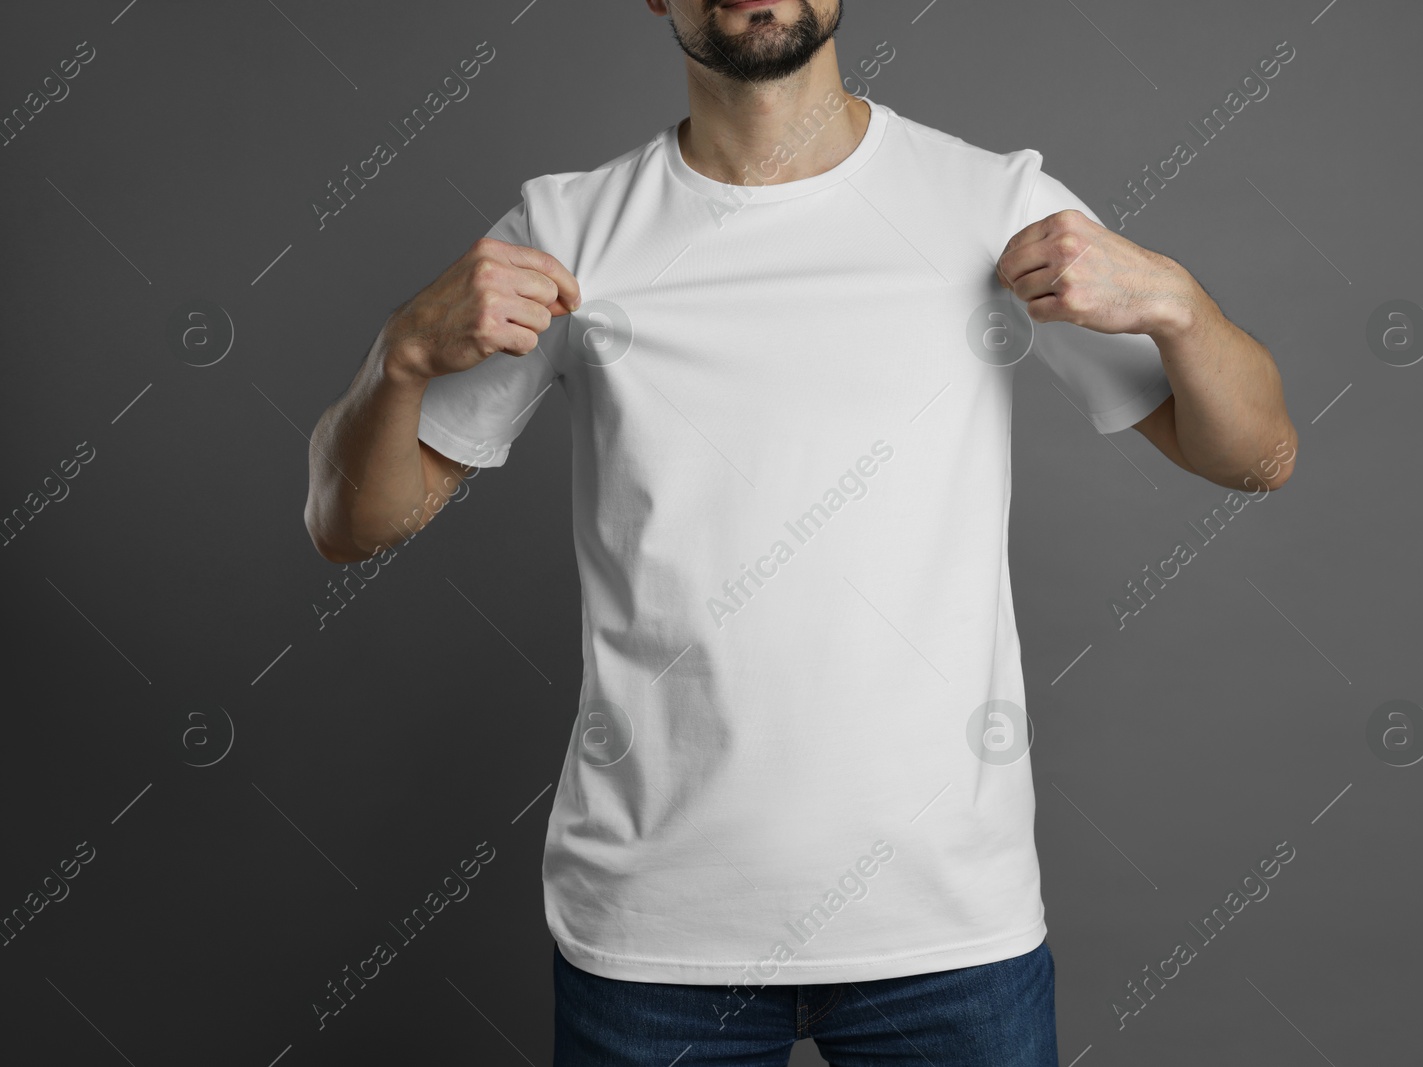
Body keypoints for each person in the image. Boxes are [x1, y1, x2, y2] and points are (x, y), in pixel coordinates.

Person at [304, 1, 1297, 1062]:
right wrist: (398, 355)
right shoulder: (565, 232)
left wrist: (1179, 305)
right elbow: (348, 526)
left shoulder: (992, 207)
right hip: (654, 936)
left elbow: (1256, 456)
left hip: (947, 927)